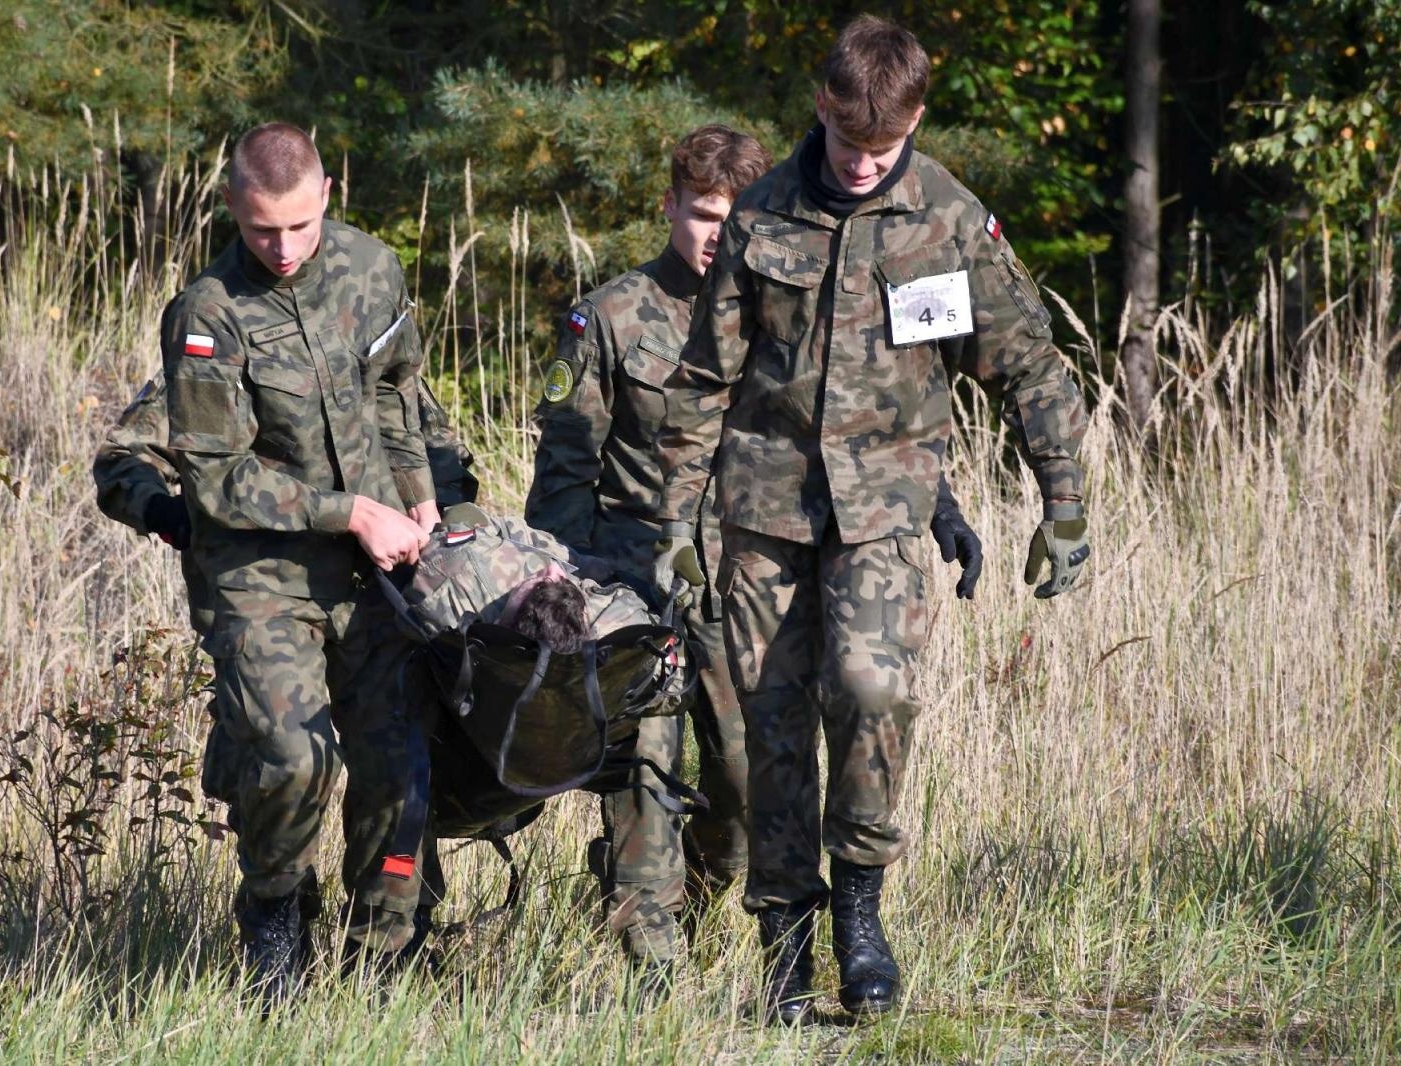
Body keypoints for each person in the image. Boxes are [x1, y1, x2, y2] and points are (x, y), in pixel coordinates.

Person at [650, 16, 1090, 1024]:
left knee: (871, 689)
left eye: (882, 150)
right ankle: (784, 948)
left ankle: (859, 912)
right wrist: (676, 522)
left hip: (885, 510)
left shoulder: (948, 218)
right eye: (848, 144)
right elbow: (703, 381)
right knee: (763, 736)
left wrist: (1062, 500)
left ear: (916, 121)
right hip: (761, 515)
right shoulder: (760, 218)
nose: (860, 166)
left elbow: (1024, 362)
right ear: (820, 108)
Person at [158, 121, 437, 1007]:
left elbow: (398, 391)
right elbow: (215, 481)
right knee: (291, 757)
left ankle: (384, 954)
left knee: (400, 769)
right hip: (262, 573)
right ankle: (276, 913)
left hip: (374, 570)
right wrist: (350, 510)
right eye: (260, 231)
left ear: (326, 196)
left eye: (298, 227)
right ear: (234, 211)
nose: (281, 249)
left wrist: (418, 492)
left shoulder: (372, 268)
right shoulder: (208, 313)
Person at [524, 125, 771, 978]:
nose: (716, 235)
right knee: (644, 769)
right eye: (703, 214)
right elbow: (560, 478)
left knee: (742, 778)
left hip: (741, 578)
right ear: (669, 205)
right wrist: (581, 594)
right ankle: (649, 955)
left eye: (733, 219)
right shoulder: (611, 316)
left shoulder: (779, 318)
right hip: (635, 579)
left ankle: (698, 898)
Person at [336, 505, 682, 987]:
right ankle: (388, 946)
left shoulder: (464, 579)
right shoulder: (462, 583)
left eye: (548, 577)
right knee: (395, 739)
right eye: (548, 577)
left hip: (559, 746)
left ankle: (651, 948)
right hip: (461, 758)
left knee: (648, 747)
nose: (551, 570)